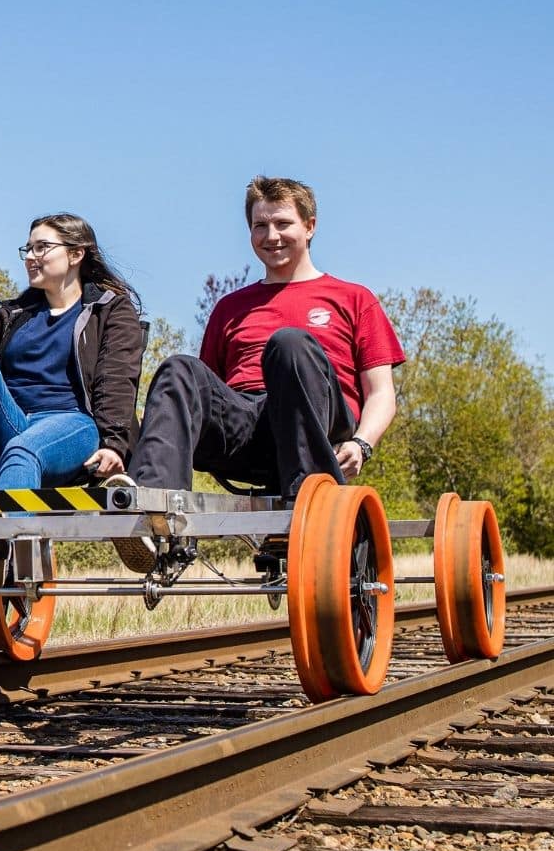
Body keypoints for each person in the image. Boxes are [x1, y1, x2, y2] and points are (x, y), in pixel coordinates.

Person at [118, 176, 405, 568]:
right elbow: (208, 394)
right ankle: (154, 517)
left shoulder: (353, 298)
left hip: (318, 424)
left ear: (310, 225)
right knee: (179, 369)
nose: (271, 235)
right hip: (248, 428)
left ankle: (312, 515)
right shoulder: (230, 307)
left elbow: (382, 393)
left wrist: (362, 444)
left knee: (289, 344)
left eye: (283, 223)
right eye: (260, 225)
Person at [0, 213, 145, 494]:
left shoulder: (109, 310)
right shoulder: (10, 315)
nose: (30, 257)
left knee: (21, 452)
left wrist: (113, 445)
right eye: (28, 249)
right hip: (13, 422)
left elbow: (117, 380)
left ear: (75, 255)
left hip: (71, 425)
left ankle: (13, 537)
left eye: (42, 247)